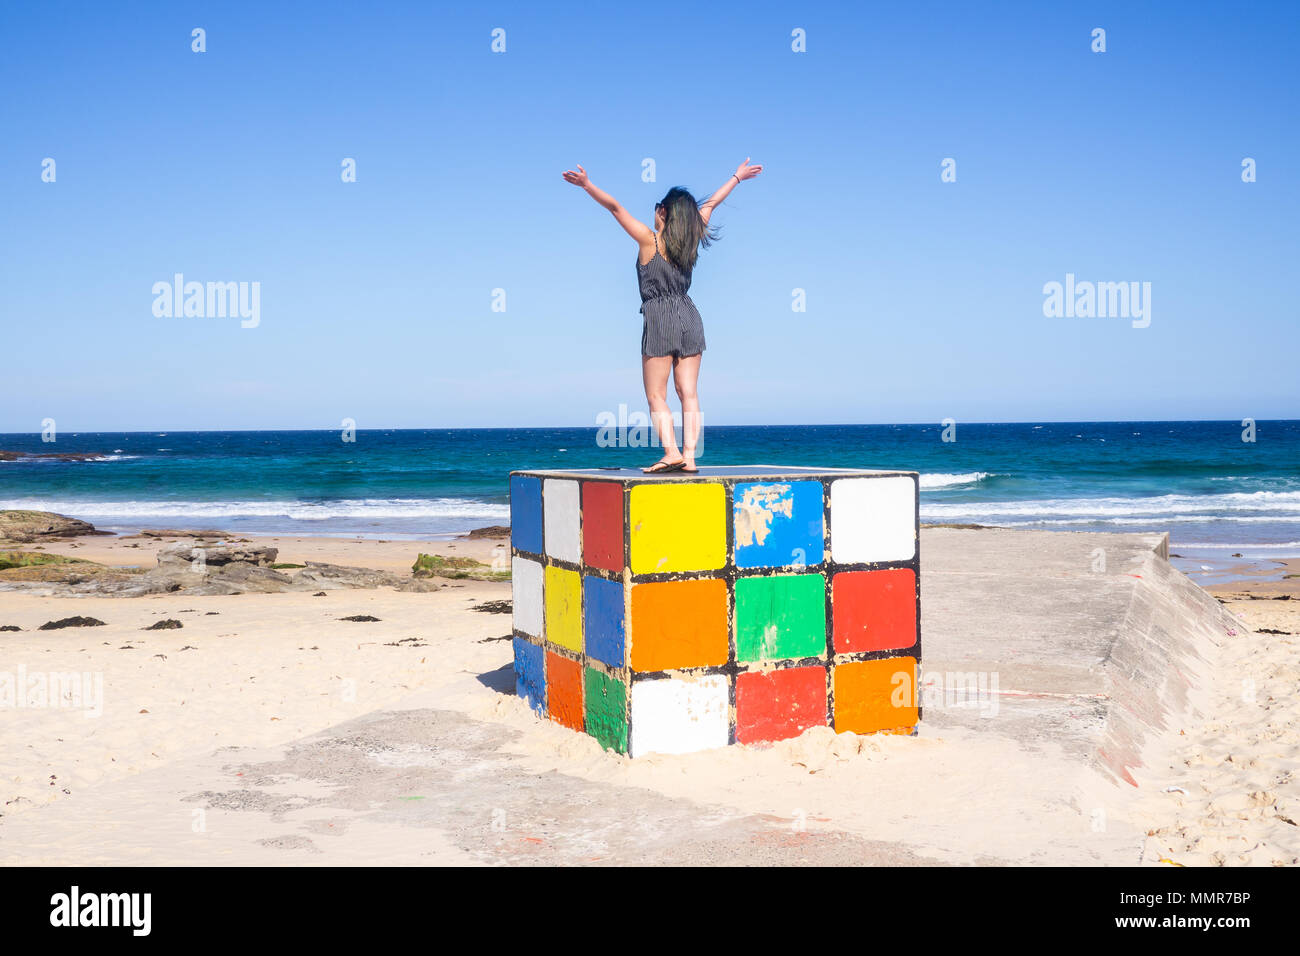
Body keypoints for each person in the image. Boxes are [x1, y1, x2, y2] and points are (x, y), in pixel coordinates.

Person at [562, 159, 763, 472]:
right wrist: (737, 177)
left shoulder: (649, 240)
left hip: (659, 319)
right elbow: (711, 204)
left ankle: (671, 452)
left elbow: (615, 208)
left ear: (664, 213)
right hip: (689, 315)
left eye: (657, 206)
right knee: (689, 393)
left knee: (657, 394)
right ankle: (690, 457)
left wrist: (587, 186)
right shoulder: (692, 237)